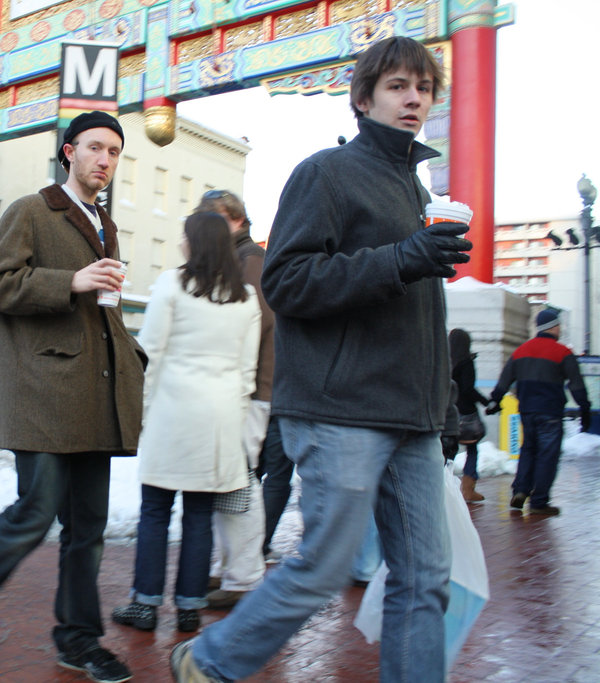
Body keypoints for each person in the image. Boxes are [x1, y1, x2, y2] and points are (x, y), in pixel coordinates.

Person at [170, 36, 473, 682]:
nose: (414, 97)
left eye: (423, 87)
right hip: (342, 408)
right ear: (364, 99)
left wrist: (442, 406)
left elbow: (422, 317)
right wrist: (400, 259)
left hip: (411, 417)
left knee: (426, 578)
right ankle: (210, 659)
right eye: (397, 85)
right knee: (325, 565)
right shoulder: (325, 173)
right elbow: (288, 282)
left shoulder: (417, 192)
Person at [0, 110, 145, 683]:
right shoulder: (31, 210)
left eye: (114, 153)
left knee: (89, 528)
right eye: (96, 148)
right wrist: (71, 281)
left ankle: (77, 640)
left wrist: (129, 357)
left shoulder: (104, 223)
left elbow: (103, 311)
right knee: (36, 510)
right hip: (42, 392)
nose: (105, 160)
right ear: (69, 152)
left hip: (92, 394)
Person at [111, 212, 259, 633]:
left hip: (173, 413)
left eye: (183, 235)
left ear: (194, 241)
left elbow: (151, 353)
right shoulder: (246, 297)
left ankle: (145, 603)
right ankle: (190, 606)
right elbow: (247, 372)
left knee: (155, 511)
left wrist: (141, 410)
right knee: (199, 515)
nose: (180, 241)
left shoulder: (172, 285)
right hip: (221, 420)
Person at [193, 189, 278, 607]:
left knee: (239, 483)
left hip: (248, 390)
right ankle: (233, 571)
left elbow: (249, 327)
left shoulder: (250, 262)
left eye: (212, 223)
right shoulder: (241, 260)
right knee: (233, 482)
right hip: (244, 388)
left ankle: (243, 577)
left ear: (234, 219)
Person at [485, 309, 590, 516]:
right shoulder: (563, 353)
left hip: (527, 412)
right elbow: (576, 385)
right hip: (550, 412)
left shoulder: (521, 351)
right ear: (553, 326)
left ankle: (521, 490)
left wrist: (495, 401)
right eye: (559, 325)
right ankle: (539, 501)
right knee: (547, 456)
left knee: (528, 451)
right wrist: (584, 409)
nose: (560, 329)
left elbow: (505, 379)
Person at [449, 327, 490, 502]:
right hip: (466, 412)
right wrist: (485, 401)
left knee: (449, 449)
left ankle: (446, 484)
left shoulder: (445, 361)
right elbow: (468, 388)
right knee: (472, 448)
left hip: (449, 411)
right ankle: (468, 488)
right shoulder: (466, 363)